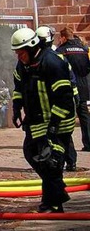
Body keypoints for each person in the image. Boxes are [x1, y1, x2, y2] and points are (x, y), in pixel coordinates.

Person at [11, 28, 76, 213]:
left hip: (59, 120)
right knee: (31, 152)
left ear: (32, 48)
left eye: (21, 53)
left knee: (51, 161)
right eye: (16, 53)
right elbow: (18, 87)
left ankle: (52, 203)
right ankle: (57, 193)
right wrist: (17, 108)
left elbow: (64, 98)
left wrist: (53, 128)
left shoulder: (53, 63)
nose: (19, 57)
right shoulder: (23, 66)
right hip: (38, 119)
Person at [37, 26, 81, 171]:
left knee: (61, 135)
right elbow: (71, 79)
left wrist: (74, 95)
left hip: (56, 104)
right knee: (63, 136)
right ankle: (66, 161)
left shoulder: (55, 57)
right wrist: (75, 96)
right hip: (56, 103)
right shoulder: (56, 56)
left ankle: (62, 161)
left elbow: (69, 79)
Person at [56, 27, 90, 153]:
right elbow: (87, 69)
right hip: (83, 86)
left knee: (65, 118)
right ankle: (88, 143)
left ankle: (67, 147)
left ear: (64, 37)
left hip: (68, 88)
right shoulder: (84, 49)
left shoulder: (61, 50)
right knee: (84, 116)